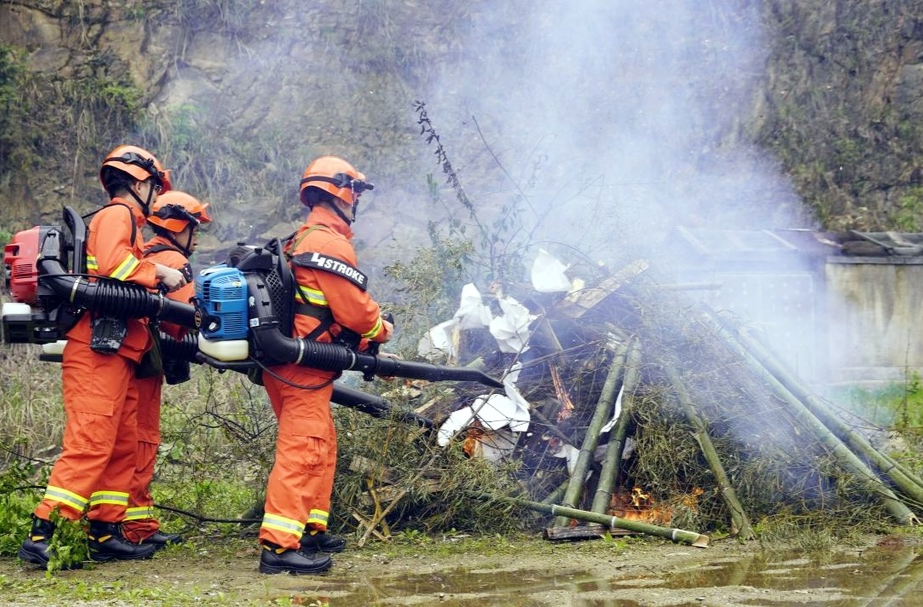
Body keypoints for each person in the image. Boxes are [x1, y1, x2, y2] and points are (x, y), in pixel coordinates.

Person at [18, 145, 187, 568]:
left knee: (121, 444)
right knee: (91, 442)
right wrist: (160, 272)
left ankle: (105, 530)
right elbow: (113, 264)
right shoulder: (119, 215)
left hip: (118, 350)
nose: (155, 196)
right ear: (141, 184)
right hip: (97, 351)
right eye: (155, 187)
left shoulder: (126, 221)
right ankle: (43, 533)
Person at [258, 156, 393, 575]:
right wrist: (381, 329)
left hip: (292, 363)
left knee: (321, 444)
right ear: (342, 193)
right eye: (355, 193)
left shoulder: (300, 238)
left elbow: (324, 310)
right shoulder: (327, 243)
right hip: (304, 366)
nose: (356, 202)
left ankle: (309, 529)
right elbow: (355, 312)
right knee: (304, 448)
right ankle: (279, 547)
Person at [121, 191, 212, 548]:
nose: (197, 237)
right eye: (194, 228)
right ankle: (135, 527)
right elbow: (180, 323)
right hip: (144, 361)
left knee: (123, 440)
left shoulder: (143, 253)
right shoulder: (173, 260)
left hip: (125, 359)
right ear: (178, 226)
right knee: (142, 439)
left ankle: (123, 521)